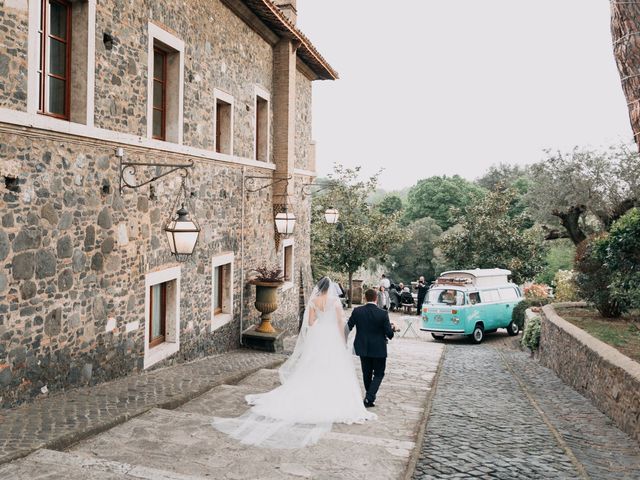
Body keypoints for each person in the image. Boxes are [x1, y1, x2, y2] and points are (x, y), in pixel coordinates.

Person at [212, 277, 375, 448]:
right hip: (332, 337)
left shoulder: (313, 301)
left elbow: (311, 323)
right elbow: (341, 322)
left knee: (313, 367)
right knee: (333, 368)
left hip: (319, 336)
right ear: (331, 289)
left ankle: (310, 394)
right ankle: (328, 396)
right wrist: (342, 340)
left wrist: (320, 326)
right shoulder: (335, 302)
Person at [348, 289, 396, 408]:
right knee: (379, 373)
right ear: (376, 298)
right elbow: (389, 334)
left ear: (365, 298)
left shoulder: (357, 311)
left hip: (362, 346)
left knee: (366, 373)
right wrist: (393, 328)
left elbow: (348, 326)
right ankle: (369, 398)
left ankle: (369, 398)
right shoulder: (383, 313)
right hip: (379, 348)